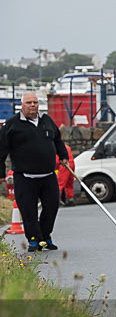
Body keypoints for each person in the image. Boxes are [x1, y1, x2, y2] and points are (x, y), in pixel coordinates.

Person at [0, 92, 69, 251]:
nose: (33, 105)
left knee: (51, 207)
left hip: (48, 175)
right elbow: (1, 151)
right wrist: (1, 174)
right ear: (22, 105)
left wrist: (63, 156)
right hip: (25, 177)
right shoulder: (11, 125)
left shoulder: (46, 121)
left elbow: (57, 140)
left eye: (35, 103)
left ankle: (45, 236)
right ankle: (33, 240)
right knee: (28, 211)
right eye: (29, 103)